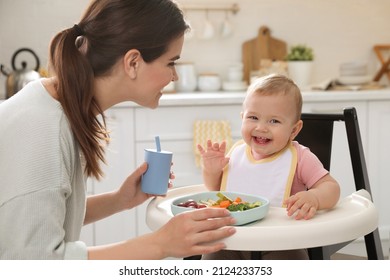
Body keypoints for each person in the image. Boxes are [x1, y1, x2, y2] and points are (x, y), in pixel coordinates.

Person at [0, 0, 236, 260]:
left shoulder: (53, 105)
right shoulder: (43, 131)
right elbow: (34, 265)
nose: (174, 77)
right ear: (133, 62)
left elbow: (45, 218)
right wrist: (160, 244)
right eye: (171, 63)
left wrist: (119, 200)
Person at [197, 74, 340, 260]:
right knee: (211, 252)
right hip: (232, 240)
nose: (261, 127)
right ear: (242, 118)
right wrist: (211, 170)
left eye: (274, 121)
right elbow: (217, 190)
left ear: (294, 130)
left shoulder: (300, 157)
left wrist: (314, 197)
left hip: (281, 241)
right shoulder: (237, 153)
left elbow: (332, 188)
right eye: (253, 117)